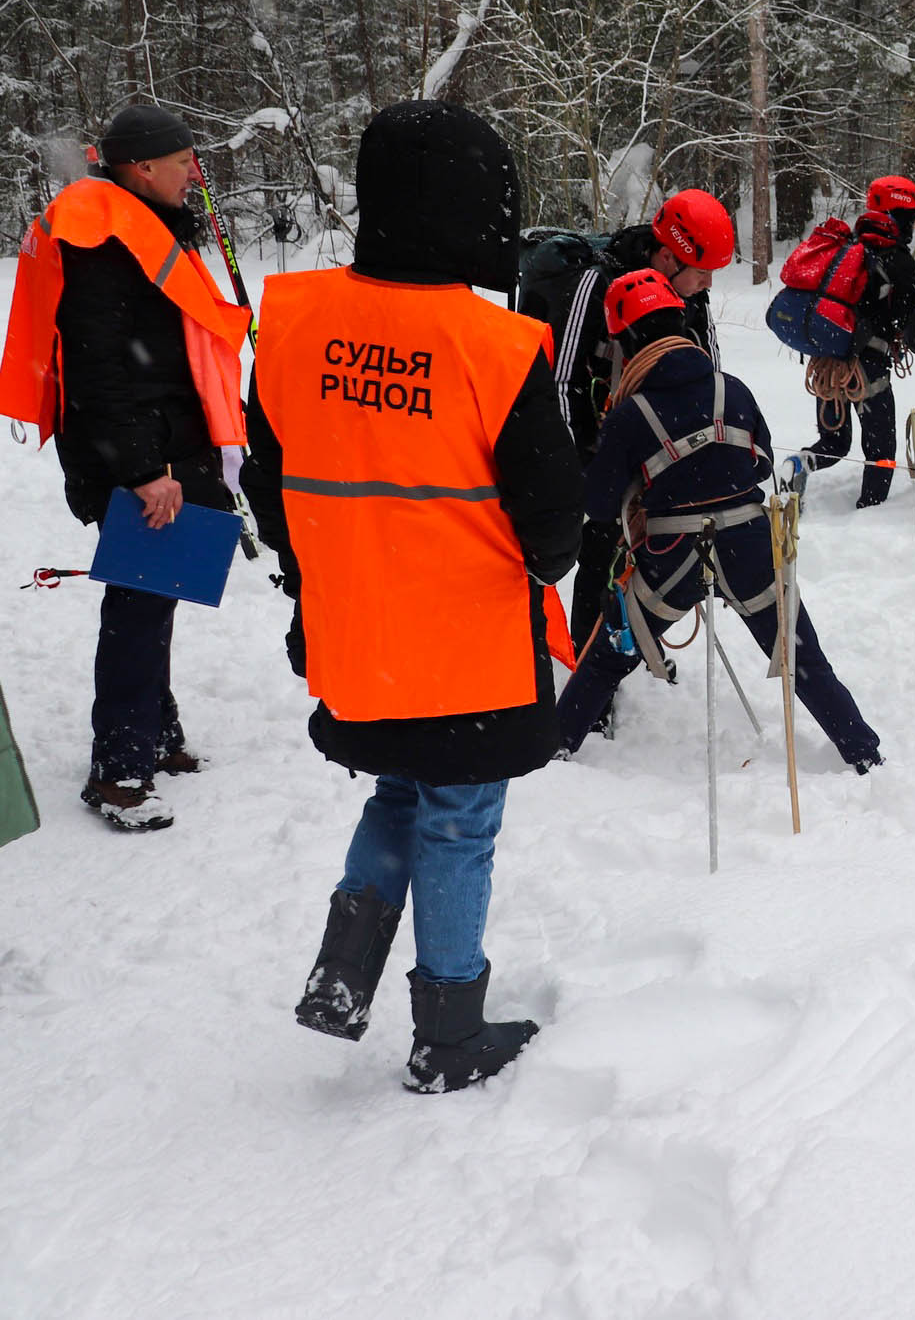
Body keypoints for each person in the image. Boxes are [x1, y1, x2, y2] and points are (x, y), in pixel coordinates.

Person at [242, 100, 583, 1092]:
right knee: (458, 820)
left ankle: (344, 973)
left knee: (399, 789)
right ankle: (447, 1032)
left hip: (358, 626)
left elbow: (273, 481)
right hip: (468, 639)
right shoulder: (497, 344)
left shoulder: (296, 321)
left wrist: (323, 578)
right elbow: (553, 521)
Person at [0, 102, 251, 831]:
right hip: (143, 450)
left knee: (160, 589)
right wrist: (144, 469)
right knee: (139, 604)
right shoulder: (101, 238)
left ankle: (156, 733)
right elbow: (99, 370)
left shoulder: (128, 225)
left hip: (167, 439)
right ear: (140, 166)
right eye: (182, 164)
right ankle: (119, 771)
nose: (192, 177)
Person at [554, 270, 883, 768]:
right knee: (802, 656)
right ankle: (863, 754)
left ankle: (556, 747)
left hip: (669, 555)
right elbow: (763, 464)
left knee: (606, 656)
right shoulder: (733, 390)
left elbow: (599, 507)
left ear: (627, 337)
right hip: (748, 542)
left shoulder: (630, 413)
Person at [518, 188, 732, 653]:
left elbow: (709, 376)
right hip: (594, 453)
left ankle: (621, 658)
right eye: (703, 272)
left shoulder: (691, 298)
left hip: (651, 459)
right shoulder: (598, 285)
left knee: (637, 564)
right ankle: (584, 682)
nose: (709, 285)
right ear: (667, 256)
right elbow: (561, 381)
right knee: (588, 561)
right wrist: (583, 468)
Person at [807, 174, 915, 509]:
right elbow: (909, 319)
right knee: (882, 451)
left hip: (829, 364)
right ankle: (871, 513)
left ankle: (798, 466)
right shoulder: (898, 260)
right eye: (912, 218)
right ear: (902, 218)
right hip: (869, 367)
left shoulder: (848, 248)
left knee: (834, 443)